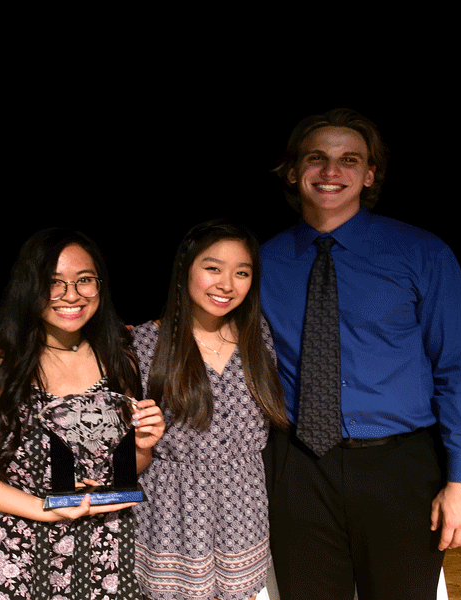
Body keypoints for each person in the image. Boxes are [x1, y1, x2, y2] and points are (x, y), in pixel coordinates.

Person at [259, 108, 461, 600]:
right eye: (316, 157)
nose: (330, 171)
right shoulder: (260, 263)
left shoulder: (422, 254)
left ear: (369, 174)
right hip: (297, 466)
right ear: (292, 170)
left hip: (399, 467)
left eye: (349, 159)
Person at [0, 228, 165, 600]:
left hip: (98, 549)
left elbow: (123, 468)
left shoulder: (118, 359)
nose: (71, 295)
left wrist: (142, 445)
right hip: (10, 548)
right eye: (53, 283)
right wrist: (44, 509)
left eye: (84, 281)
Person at [129, 219, 288, 600]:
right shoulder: (143, 342)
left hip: (243, 503)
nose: (227, 284)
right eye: (213, 268)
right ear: (185, 268)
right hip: (171, 509)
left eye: (242, 272)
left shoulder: (259, 334)